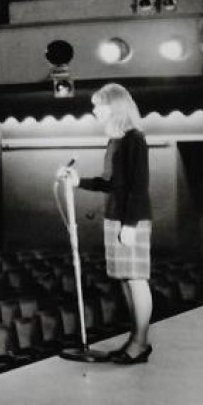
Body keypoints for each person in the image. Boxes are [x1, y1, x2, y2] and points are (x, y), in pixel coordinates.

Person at [58, 83, 154, 364]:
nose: (95, 110)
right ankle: (134, 339)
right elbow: (111, 183)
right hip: (115, 218)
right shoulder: (115, 141)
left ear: (115, 107)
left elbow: (139, 185)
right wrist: (79, 182)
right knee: (125, 280)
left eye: (99, 105)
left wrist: (131, 224)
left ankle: (141, 343)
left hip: (130, 219)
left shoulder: (134, 139)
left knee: (136, 280)